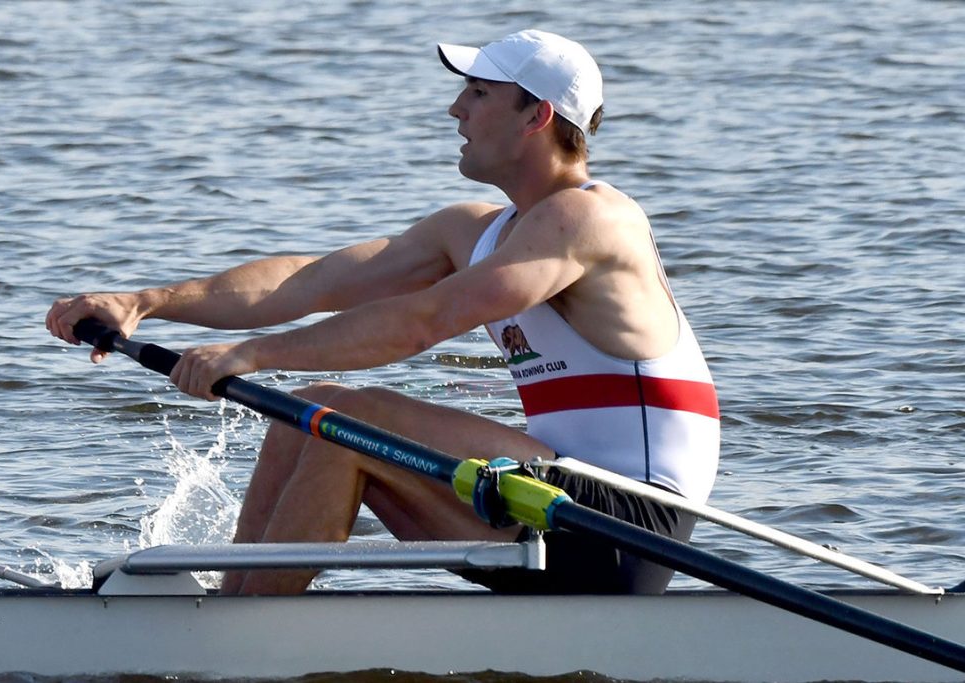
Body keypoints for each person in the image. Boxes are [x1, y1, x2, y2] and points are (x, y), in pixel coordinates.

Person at [46, 29, 720, 595]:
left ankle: (241, 641)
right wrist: (145, 302)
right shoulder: (475, 230)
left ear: (536, 116)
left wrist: (253, 354)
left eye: (479, 92)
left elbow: (424, 321)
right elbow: (307, 282)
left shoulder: (590, 218)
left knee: (352, 420)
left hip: (629, 526)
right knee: (308, 408)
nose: (457, 108)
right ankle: (233, 612)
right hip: (552, 502)